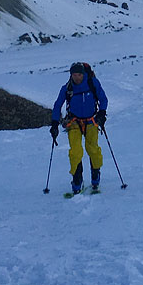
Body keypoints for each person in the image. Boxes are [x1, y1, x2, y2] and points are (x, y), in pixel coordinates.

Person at [51, 62, 108, 194]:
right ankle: (77, 180)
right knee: (75, 152)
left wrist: (102, 113)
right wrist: (54, 123)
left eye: (79, 74)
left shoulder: (93, 83)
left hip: (92, 120)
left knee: (92, 149)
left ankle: (95, 175)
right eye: (74, 75)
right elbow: (57, 105)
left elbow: (103, 99)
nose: (77, 77)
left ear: (84, 74)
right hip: (74, 122)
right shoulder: (67, 88)